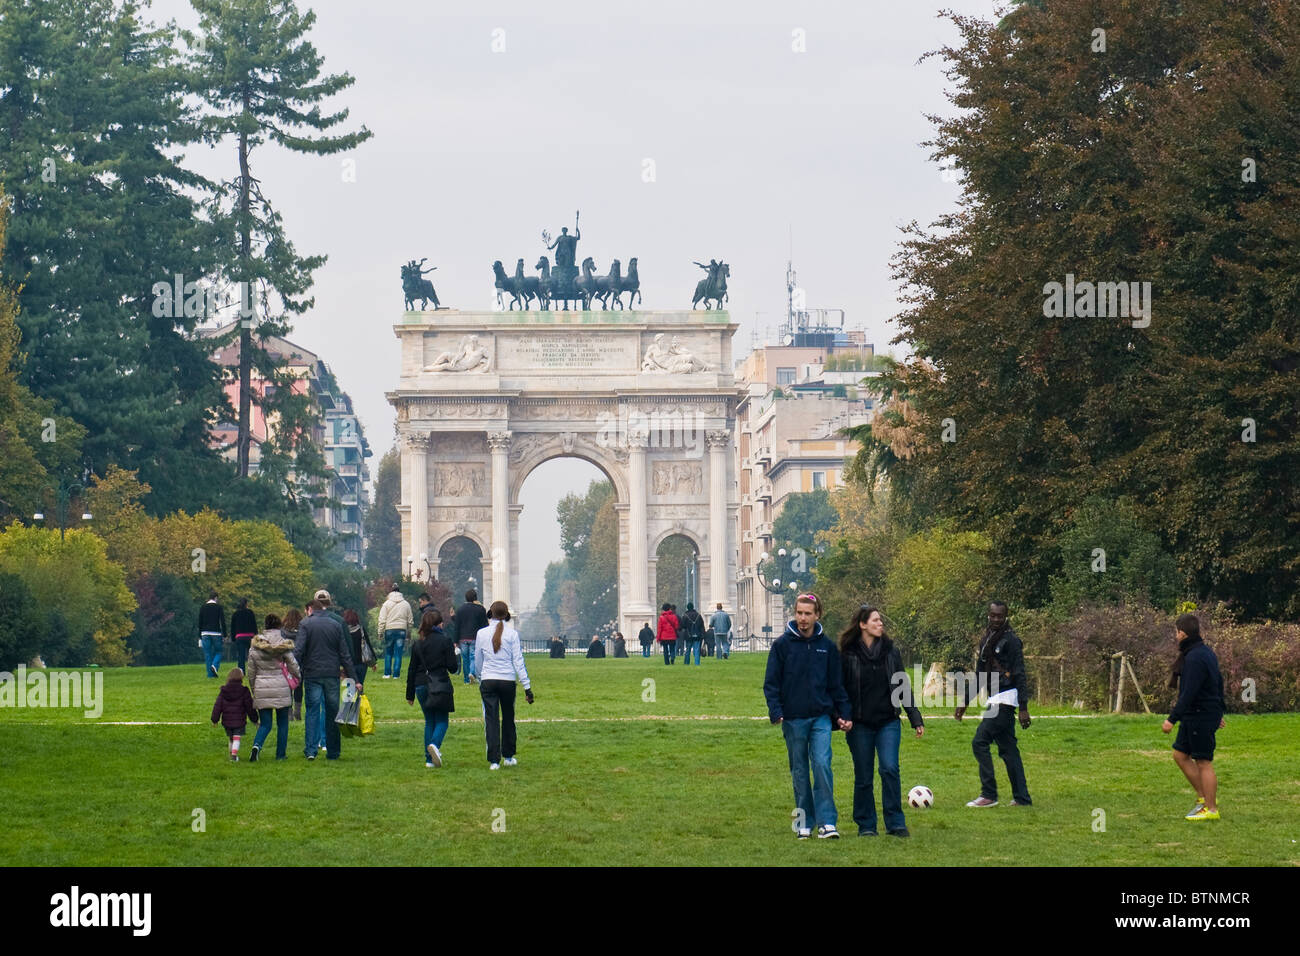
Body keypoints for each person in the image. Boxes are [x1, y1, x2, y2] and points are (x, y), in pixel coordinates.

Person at [763, 592, 852, 839]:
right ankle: (804, 821)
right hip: (792, 718)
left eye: (808, 614)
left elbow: (837, 685)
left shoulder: (827, 647)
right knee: (800, 771)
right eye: (799, 613)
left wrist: (844, 714)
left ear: (817, 615)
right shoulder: (782, 645)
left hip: (821, 718)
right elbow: (771, 683)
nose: (803, 618)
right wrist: (776, 711)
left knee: (822, 765)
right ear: (795, 614)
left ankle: (827, 822)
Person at [839, 605, 924, 837]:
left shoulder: (890, 651)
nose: (880, 624)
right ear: (862, 624)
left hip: (888, 721)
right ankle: (866, 825)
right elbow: (840, 690)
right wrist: (841, 716)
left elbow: (902, 685)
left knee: (889, 769)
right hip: (860, 725)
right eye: (875, 620)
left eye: (880, 620)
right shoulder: (848, 654)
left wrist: (915, 717)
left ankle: (895, 822)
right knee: (864, 776)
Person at [956, 601, 1032, 808]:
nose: (996, 619)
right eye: (993, 615)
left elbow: (1020, 674)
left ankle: (989, 794)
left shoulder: (1012, 641)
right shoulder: (987, 640)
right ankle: (1022, 798)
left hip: (1005, 699)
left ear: (1006, 616)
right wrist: (965, 702)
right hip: (995, 699)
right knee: (1008, 750)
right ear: (988, 615)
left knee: (979, 742)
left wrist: (1023, 708)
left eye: (1000, 616)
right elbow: (980, 675)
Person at [1162, 612, 1226, 821]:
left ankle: (1211, 809)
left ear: (1182, 633)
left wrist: (1172, 719)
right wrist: (1218, 712)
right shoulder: (1202, 652)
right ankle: (1202, 799)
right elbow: (1218, 682)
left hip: (1200, 715)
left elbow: (1189, 692)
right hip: (1197, 715)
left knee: (1203, 761)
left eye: (1176, 632)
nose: (1175, 636)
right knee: (1180, 755)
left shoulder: (1196, 657)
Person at [474, 601, 534, 770]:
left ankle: (494, 759)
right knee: (508, 718)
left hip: (488, 679)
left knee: (491, 720)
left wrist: (480, 676)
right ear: (507, 615)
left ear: (489, 614)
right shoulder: (512, 634)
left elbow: (478, 659)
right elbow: (518, 661)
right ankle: (508, 756)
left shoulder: (481, 634)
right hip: (507, 680)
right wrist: (527, 686)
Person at [296, 598, 356, 761]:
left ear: (311, 610)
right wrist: (354, 678)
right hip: (331, 673)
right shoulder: (335, 625)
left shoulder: (305, 624)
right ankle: (333, 751)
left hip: (312, 673)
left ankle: (310, 750)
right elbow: (344, 654)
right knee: (332, 712)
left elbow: (299, 651)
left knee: (312, 711)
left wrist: (294, 672)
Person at [406, 609, 458, 768]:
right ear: (438, 624)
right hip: (439, 683)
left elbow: (412, 669)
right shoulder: (445, 641)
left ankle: (429, 760)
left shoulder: (418, 643)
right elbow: (452, 667)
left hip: (421, 684)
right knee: (442, 720)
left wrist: (410, 694)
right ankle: (434, 745)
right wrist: (455, 655)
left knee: (429, 720)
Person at [245, 614, 300, 761]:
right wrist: (298, 677)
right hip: (281, 686)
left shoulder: (256, 645)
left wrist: (254, 688)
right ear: (279, 626)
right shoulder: (284, 644)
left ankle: (257, 746)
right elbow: (293, 665)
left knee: (266, 724)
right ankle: (280, 755)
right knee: (283, 723)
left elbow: (251, 671)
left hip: (262, 686)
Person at [210, 667, 258, 761]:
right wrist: (255, 719)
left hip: (227, 721)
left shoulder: (224, 691)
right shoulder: (244, 691)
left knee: (231, 738)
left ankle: (232, 754)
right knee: (237, 737)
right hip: (239, 720)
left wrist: (214, 719)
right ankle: (234, 755)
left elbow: (217, 706)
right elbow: (249, 707)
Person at [377, 584, 414, 680]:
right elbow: (410, 621)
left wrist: (380, 632)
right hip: (401, 630)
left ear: (391, 591)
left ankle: (387, 674)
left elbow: (382, 620)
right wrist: (409, 633)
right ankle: (396, 675)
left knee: (388, 652)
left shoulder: (386, 604)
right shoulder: (406, 604)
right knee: (398, 653)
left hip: (389, 630)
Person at [454, 589, 489, 685]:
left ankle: (466, 680)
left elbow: (457, 626)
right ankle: (472, 673)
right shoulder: (481, 609)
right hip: (475, 637)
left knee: (465, 659)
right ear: (475, 598)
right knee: (474, 657)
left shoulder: (460, 609)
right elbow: (485, 625)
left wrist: (455, 641)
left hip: (463, 638)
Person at [344, 609, 377, 692]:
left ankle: (349, 703)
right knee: (360, 685)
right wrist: (373, 662)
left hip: (349, 663)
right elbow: (368, 644)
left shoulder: (344, 632)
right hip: (362, 663)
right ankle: (359, 702)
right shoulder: (361, 629)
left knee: (350, 688)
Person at [281, 607, 304, 720]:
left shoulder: (283, 631)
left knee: (288, 686)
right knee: (299, 686)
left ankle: (289, 712)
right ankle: (298, 711)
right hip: (300, 661)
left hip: (286, 661)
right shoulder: (302, 630)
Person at [198, 591, 227, 678]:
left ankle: (210, 675)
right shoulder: (218, 607)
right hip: (216, 633)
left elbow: (199, 622)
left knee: (207, 654)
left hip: (204, 633)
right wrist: (224, 634)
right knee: (219, 651)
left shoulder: (203, 607)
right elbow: (222, 621)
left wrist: (199, 636)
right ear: (216, 598)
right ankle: (214, 665)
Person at [229, 598, 256, 672]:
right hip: (250, 637)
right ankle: (252, 671)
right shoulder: (250, 612)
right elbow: (254, 625)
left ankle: (241, 672)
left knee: (241, 656)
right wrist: (256, 636)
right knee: (251, 656)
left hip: (239, 637)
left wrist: (233, 638)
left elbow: (233, 628)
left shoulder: (235, 614)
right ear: (246, 604)